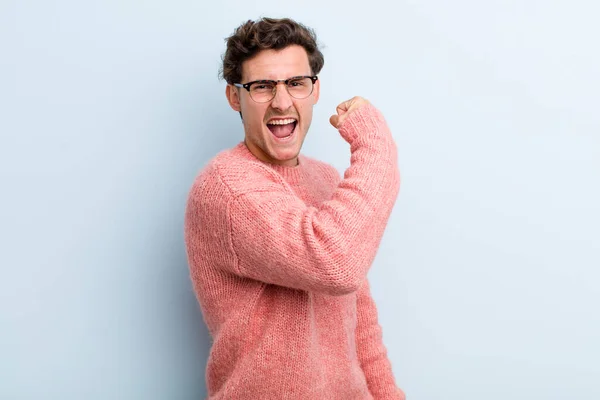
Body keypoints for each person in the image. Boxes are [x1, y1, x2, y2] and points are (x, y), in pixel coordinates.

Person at [184, 17, 405, 399]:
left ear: (314, 90)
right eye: (263, 86)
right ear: (235, 97)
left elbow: (361, 324)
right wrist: (376, 145)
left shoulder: (327, 179)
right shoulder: (225, 188)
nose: (282, 101)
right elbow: (334, 262)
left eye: (296, 83)